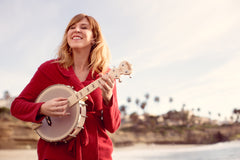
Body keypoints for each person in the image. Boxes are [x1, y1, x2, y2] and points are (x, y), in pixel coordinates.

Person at [11, 13, 121, 160]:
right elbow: (17, 106)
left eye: (84, 27)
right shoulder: (48, 69)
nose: (76, 30)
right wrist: (42, 108)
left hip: (97, 152)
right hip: (55, 152)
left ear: (94, 37)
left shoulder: (104, 74)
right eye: (72, 27)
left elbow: (112, 127)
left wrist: (108, 99)